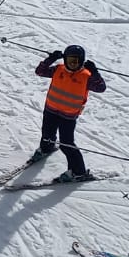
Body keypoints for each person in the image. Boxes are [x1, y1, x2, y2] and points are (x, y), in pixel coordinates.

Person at [34, 44, 107, 181]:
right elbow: (40, 71)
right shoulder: (58, 69)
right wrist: (51, 59)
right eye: (69, 61)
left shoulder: (86, 76)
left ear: (81, 62)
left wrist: (95, 72)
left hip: (68, 116)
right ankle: (46, 148)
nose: (72, 64)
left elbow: (101, 87)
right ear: (65, 60)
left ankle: (78, 171)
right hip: (51, 109)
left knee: (66, 143)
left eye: (76, 62)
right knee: (47, 133)